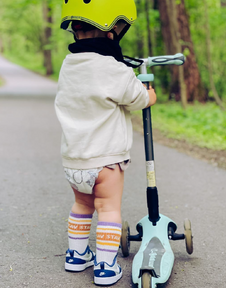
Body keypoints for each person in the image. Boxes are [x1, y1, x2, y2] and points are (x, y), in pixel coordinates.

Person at [55, 0, 157, 286]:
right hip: (107, 162)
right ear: (112, 31)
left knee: (81, 205)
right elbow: (137, 98)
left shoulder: (68, 65)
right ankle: (105, 266)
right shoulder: (114, 69)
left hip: (74, 161)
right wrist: (150, 92)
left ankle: (76, 256)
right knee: (109, 208)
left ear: (75, 30)